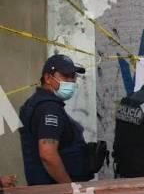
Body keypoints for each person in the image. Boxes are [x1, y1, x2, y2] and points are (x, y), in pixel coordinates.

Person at [19, 54, 91, 185]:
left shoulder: (34, 103)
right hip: (54, 192)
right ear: (47, 78)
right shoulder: (49, 108)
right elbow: (48, 155)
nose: (71, 81)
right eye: (65, 76)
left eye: (73, 77)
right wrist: (68, 187)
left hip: (43, 189)